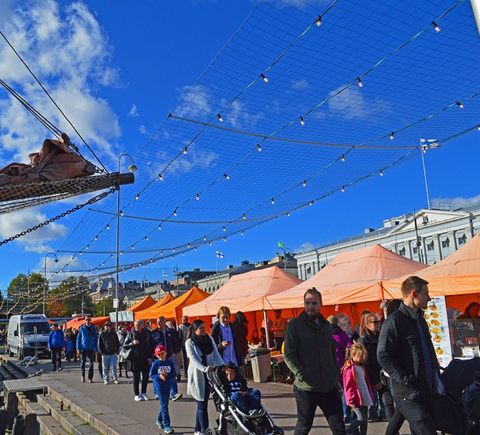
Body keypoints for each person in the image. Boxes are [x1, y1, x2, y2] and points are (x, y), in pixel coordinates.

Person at [378, 276, 446, 435]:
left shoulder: (421, 320)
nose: (429, 298)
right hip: (409, 394)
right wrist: (406, 379)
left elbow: (427, 352)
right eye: (426, 294)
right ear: (413, 294)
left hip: (427, 391)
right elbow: (383, 356)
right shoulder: (394, 322)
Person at [284, 287, 346, 435]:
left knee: (339, 428)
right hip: (307, 388)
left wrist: (334, 371)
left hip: (329, 386)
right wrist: (302, 373)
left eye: (314, 303)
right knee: (303, 427)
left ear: (321, 304)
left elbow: (332, 351)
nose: (310, 306)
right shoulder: (295, 326)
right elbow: (289, 354)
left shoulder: (326, 326)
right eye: (307, 303)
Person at [186, 319, 224, 435]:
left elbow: (216, 355)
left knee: (203, 403)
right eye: (201, 328)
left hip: (210, 375)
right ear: (195, 330)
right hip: (198, 376)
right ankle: (204, 431)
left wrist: (224, 367)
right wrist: (204, 368)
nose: (204, 330)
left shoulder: (210, 339)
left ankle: (197, 429)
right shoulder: (189, 342)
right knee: (202, 404)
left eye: (204, 327)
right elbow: (194, 360)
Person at [358, 313, 394, 422]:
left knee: (388, 402)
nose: (378, 324)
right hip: (370, 377)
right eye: (375, 322)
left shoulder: (380, 337)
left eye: (379, 322)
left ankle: (391, 426)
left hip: (383, 375)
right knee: (366, 405)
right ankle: (355, 428)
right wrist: (374, 380)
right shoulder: (363, 340)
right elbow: (365, 362)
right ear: (367, 325)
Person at [342, 343, 374, 435]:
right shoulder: (349, 368)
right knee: (361, 418)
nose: (363, 358)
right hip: (356, 397)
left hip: (363, 394)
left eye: (364, 356)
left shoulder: (362, 366)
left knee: (365, 419)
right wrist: (351, 399)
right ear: (354, 355)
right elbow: (348, 386)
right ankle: (348, 431)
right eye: (361, 356)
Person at [151, 317, 182, 401]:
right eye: (157, 322)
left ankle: (174, 394)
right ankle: (157, 392)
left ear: (164, 322)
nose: (158, 324)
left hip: (168, 357)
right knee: (158, 376)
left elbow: (174, 342)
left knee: (172, 375)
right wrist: (150, 357)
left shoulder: (170, 332)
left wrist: (174, 352)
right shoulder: (154, 333)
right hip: (158, 359)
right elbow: (150, 345)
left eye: (160, 322)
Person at [328, 315, 352, 421]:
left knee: (331, 393)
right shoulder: (343, 334)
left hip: (330, 367)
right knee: (345, 391)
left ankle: (335, 415)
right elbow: (350, 347)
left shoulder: (326, 335)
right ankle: (346, 413)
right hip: (342, 367)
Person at [123, 319, 153, 401]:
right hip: (135, 358)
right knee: (136, 377)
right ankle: (136, 394)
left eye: (138, 325)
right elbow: (124, 346)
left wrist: (149, 357)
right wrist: (132, 343)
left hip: (145, 358)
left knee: (145, 376)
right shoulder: (131, 335)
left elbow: (149, 346)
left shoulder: (146, 334)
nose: (137, 327)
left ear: (142, 325)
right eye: (135, 325)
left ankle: (144, 393)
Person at [150, 345, 176, 434]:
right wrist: (159, 376)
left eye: (162, 353)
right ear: (156, 356)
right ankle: (167, 425)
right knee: (164, 406)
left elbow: (174, 374)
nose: (161, 356)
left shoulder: (169, 363)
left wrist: (167, 375)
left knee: (165, 405)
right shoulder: (156, 364)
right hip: (159, 387)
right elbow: (152, 375)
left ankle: (159, 419)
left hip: (167, 386)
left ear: (166, 353)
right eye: (159, 355)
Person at [77, 316, 98, 383]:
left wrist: (96, 350)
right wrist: (78, 348)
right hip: (83, 348)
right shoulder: (82, 328)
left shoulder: (93, 328)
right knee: (83, 362)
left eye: (89, 320)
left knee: (91, 364)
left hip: (91, 348)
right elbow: (78, 338)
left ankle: (90, 378)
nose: (87, 321)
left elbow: (96, 339)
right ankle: (82, 376)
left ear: (90, 320)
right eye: (86, 320)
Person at [98, 321, 120, 385]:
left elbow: (117, 343)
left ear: (110, 327)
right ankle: (106, 379)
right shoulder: (102, 334)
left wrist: (117, 351)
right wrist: (101, 352)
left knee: (114, 367)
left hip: (113, 353)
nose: (106, 327)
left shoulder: (114, 334)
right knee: (105, 367)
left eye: (107, 326)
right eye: (105, 326)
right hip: (105, 353)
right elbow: (99, 344)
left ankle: (115, 378)